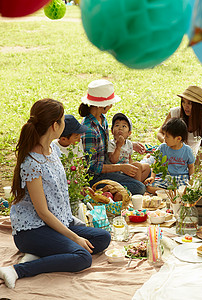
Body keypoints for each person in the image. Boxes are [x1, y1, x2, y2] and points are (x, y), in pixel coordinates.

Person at [0, 98, 111, 289]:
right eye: (62, 120)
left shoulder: (53, 150)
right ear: (54, 126)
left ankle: (46, 252)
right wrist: (75, 237)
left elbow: (58, 193)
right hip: (33, 231)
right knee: (82, 257)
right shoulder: (32, 163)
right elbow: (42, 212)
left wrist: (72, 222)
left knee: (102, 238)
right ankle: (18, 269)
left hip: (56, 222)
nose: (64, 123)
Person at [79, 79, 146, 195]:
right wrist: (120, 167)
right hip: (95, 178)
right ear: (102, 106)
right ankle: (105, 192)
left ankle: (113, 191)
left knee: (143, 170)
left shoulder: (102, 119)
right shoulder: (89, 130)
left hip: (108, 166)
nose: (111, 106)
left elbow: (104, 147)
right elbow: (92, 168)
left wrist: (127, 144)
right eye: (110, 103)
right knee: (139, 187)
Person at [157, 85, 202, 157]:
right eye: (183, 102)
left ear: (198, 105)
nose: (185, 106)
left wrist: (196, 166)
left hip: (191, 155)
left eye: (189, 103)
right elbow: (160, 133)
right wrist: (166, 142)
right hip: (172, 150)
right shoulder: (175, 113)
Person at [145, 118, 195, 194]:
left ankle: (169, 193)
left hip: (181, 177)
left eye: (167, 136)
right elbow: (156, 164)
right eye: (164, 134)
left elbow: (191, 166)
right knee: (148, 187)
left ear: (178, 138)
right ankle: (170, 192)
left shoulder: (187, 150)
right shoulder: (162, 147)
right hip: (165, 177)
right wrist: (152, 177)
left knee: (187, 190)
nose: (164, 138)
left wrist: (191, 180)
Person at [108, 113, 150, 182]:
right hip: (117, 172)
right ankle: (138, 186)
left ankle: (137, 183)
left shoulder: (129, 144)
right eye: (117, 125)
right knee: (138, 165)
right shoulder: (111, 144)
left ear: (129, 133)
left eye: (124, 126)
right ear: (112, 131)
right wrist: (118, 146)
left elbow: (129, 158)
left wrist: (132, 168)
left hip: (127, 171)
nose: (120, 128)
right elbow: (113, 160)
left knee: (147, 167)